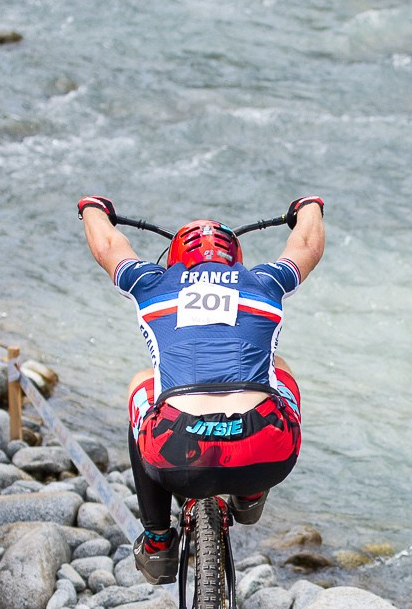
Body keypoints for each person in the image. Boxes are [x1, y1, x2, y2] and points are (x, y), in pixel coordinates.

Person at [76, 194, 326, 584]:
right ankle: (250, 494)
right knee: (280, 369)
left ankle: (158, 541)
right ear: (235, 256)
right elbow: (307, 245)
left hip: (176, 452)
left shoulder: (150, 282)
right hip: (266, 450)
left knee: (142, 383)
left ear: (175, 257)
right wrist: (309, 207)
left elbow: (109, 245)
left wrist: (92, 207)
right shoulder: (265, 281)